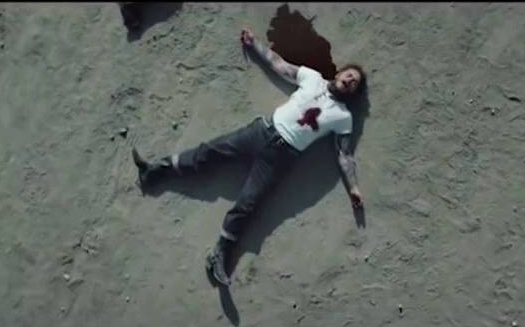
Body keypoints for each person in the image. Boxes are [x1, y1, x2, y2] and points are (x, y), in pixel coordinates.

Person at [132, 28, 366, 286]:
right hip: (261, 131)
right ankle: (155, 169)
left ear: (352, 92)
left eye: (355, 83)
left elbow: (344, 154)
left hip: (282, 157)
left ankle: (219, 255)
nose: (350, 81)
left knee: (249, 203)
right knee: (210, 152)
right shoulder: (312, 77)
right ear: (340, 72)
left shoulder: (343, 117)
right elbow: (279, 65)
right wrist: (255, 45)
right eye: (349, 75)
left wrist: (354, 188)